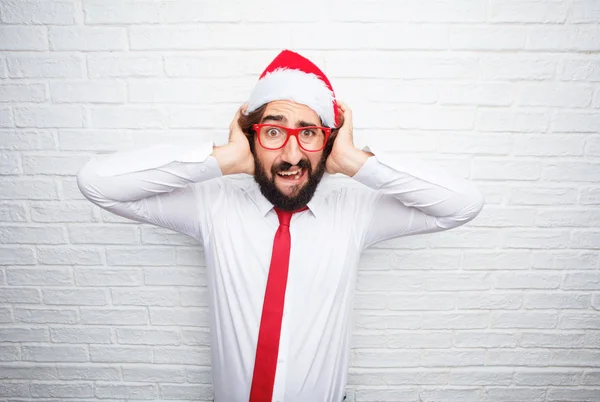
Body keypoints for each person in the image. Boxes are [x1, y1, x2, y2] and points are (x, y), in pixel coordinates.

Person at [77, 50, 484, 402]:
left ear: (327, 141)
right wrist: (225, 158)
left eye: (309, 133)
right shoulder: (212, 204)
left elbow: (462, 205)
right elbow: (99, 184)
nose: (292, 154)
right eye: (273, 132)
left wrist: (353, 162)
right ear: (251, 137)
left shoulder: (355, 211)